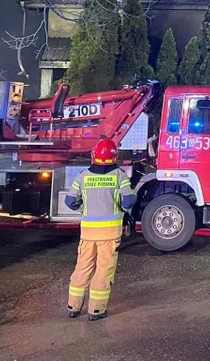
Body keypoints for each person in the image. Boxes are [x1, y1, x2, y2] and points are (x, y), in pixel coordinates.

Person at [65, 138, 136, 321]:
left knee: (83, 267)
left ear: (94, 155)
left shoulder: (83, 176)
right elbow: (128, 201)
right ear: (114, 156)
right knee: (104, 269)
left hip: (88, 232)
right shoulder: (119, 176)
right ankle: (96, 310)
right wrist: (120, 208)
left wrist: (84, 209)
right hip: (110, 233)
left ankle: (73, 307)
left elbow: (70, 201)